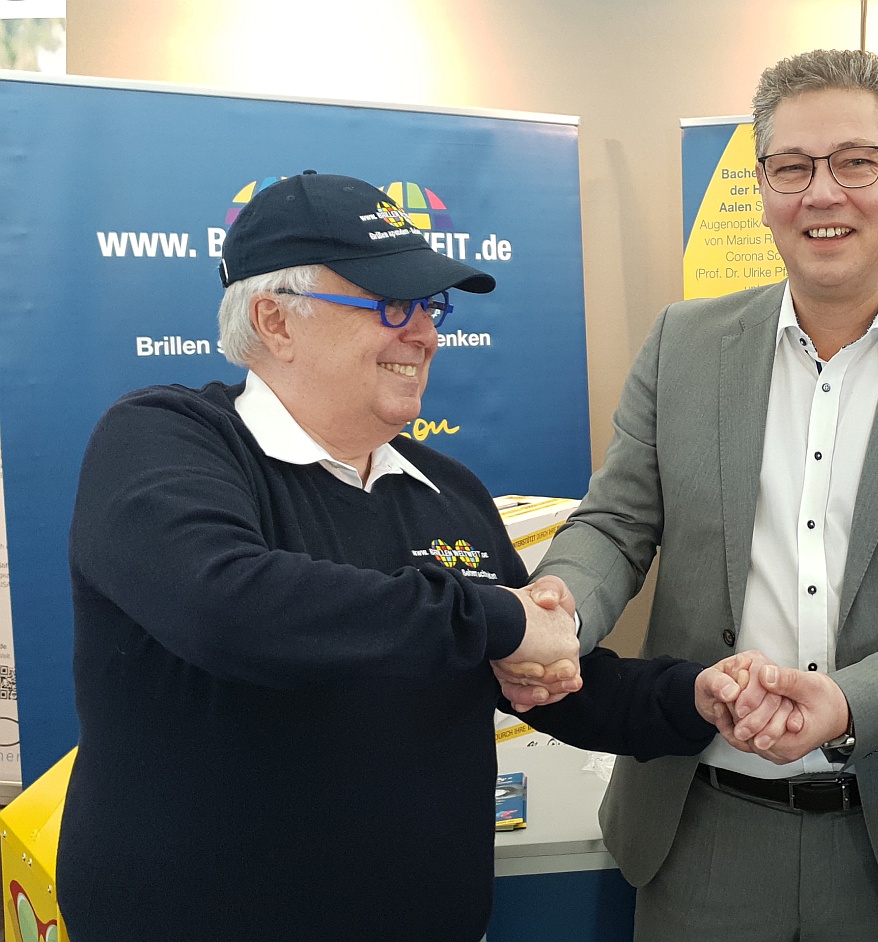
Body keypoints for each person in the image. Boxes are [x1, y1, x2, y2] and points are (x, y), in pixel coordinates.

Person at [57, 171, 765, 942]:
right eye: (392, 304)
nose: (426, 333)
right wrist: (497, 618)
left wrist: (692, 698)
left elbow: (541, 675)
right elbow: (227, 607)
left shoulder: (446, 489)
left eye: (431, 306)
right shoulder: (164, 440)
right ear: (275, 320)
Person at [528, 49, 878, 942]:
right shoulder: (681, 346)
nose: (822, 194)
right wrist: (559, 608)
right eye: (792, 167)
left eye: (855, 162)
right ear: (763, 184)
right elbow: (615, 526)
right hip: (700, 831)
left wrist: (851, 700)